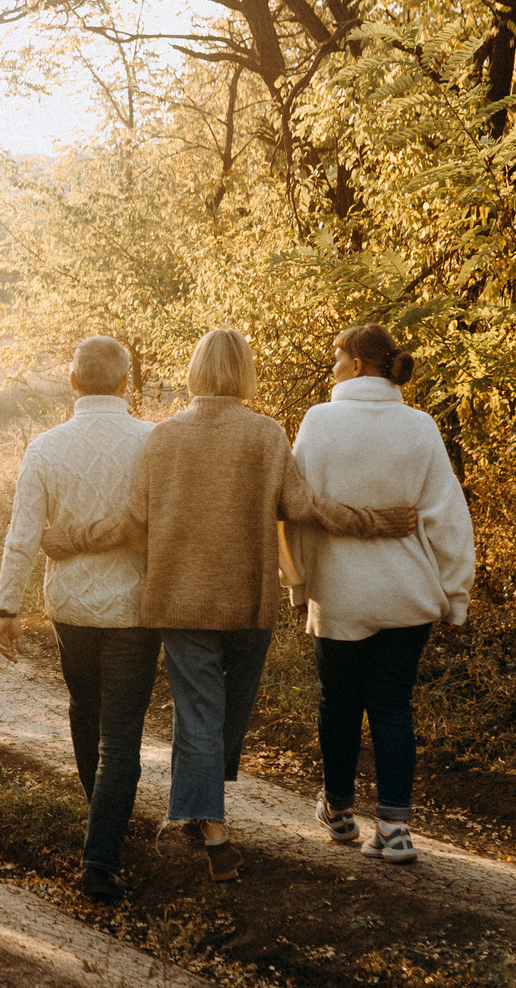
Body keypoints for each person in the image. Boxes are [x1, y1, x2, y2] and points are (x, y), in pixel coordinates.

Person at [42, 328, 418, 883]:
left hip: (180, 599)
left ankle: (199, 810)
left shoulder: (165, 438)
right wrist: (377, 522)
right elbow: (305, 507)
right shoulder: (265, 435)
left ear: (194, 370)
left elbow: (132, 525)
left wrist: (70, 538)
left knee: (206, 716)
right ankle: (213, 829)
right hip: (247, 598)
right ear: (244, 372)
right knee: (222, 716)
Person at [289, 323, 475, 864]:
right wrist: (455, 595)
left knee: (339, 703)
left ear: (359, 364)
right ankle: (394, 829)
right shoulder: (419, 426)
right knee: (393, 707)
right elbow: (448, 518)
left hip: (340, 594)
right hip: (408, 595)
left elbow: (298, 510)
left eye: (336, 357)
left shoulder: (319, 423)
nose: (332, 367)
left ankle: (340, 810)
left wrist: (299, 582)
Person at [0, 336, 154, 904]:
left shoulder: (45, 447)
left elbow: (22, 534)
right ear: (127, 382)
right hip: (135, 608)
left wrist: (7, 606)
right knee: (123, 731)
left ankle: (101, 822)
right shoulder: (152, 441)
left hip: (73, 609)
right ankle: (101, 855)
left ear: (72, 381)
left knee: (87, 709)